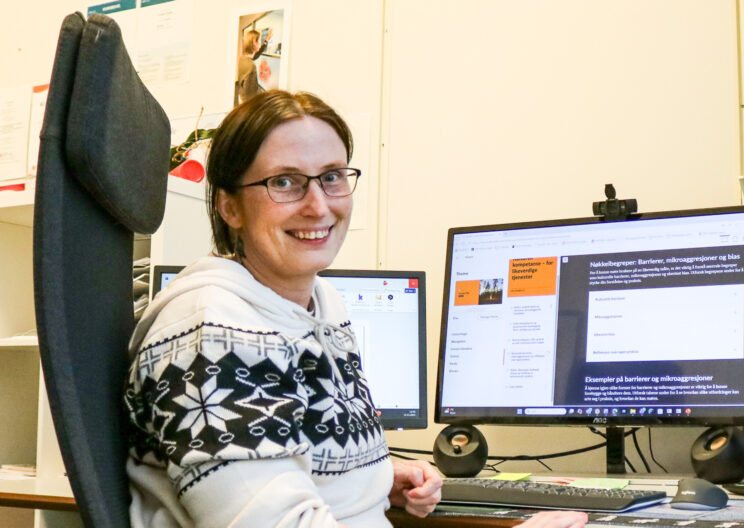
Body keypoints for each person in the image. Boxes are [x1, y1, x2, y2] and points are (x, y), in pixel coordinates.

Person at [123, 90, 587, 528]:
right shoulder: (213, 329)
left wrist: (376, 480)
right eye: (284, 182)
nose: (318, 206)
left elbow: (281, 459)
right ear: (230, 207)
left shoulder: (320, 304)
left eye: (331, 177)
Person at [235, 28, 269, 106]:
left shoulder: (243, 58)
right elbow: (251, 95)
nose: (260, 43)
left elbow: (255, 55)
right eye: (259, 41)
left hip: (241, 97)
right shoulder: (251, 66)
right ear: (254, 42)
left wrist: (266, 41)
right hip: (248, 103)